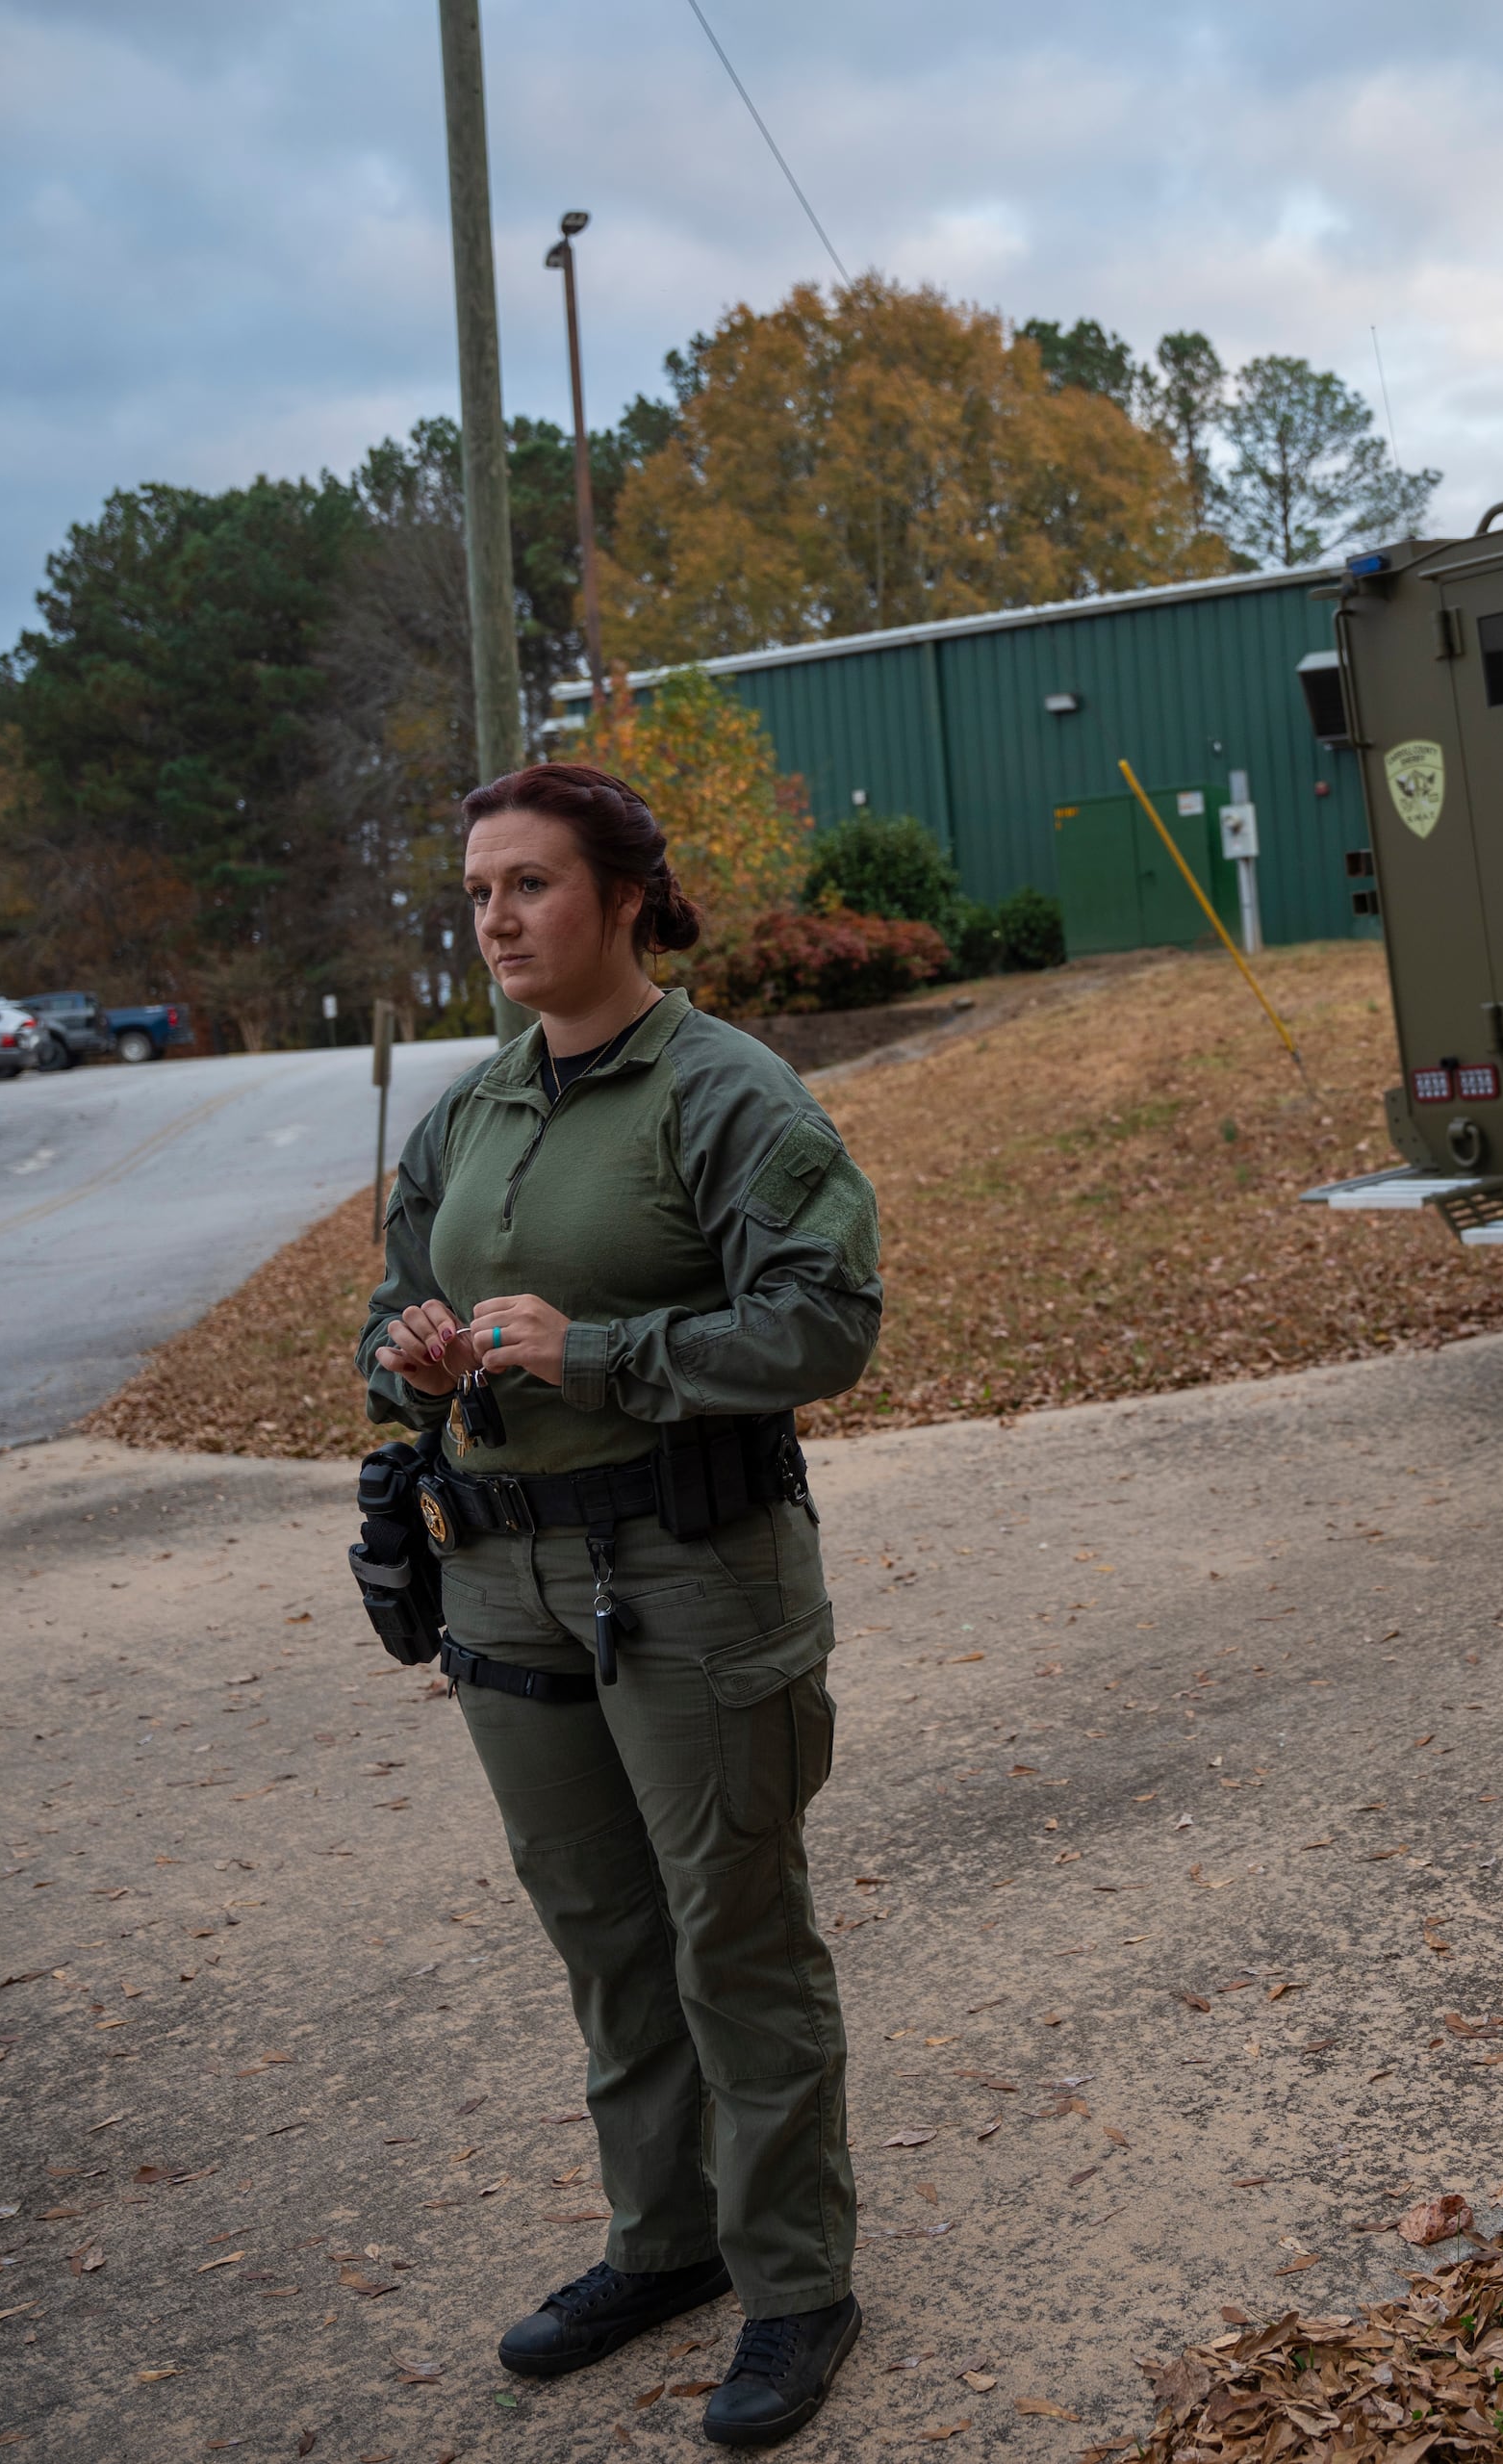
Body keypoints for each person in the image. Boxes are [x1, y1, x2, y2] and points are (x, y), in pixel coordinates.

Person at [361, 760, 881, 2450]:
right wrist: (415, 1354)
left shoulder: (727, 1095)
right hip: (503, 1579)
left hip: (690, 1578)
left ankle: (796, 2282)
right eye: (480, 893)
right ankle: (664, 2245)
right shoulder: (474, 1109)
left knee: (733, 1930)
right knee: (604, 1935)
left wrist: (602, 1354)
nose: (499, 921)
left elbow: (822, 1324)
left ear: (629, 896)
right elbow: (391, 1304)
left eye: (531, 885)